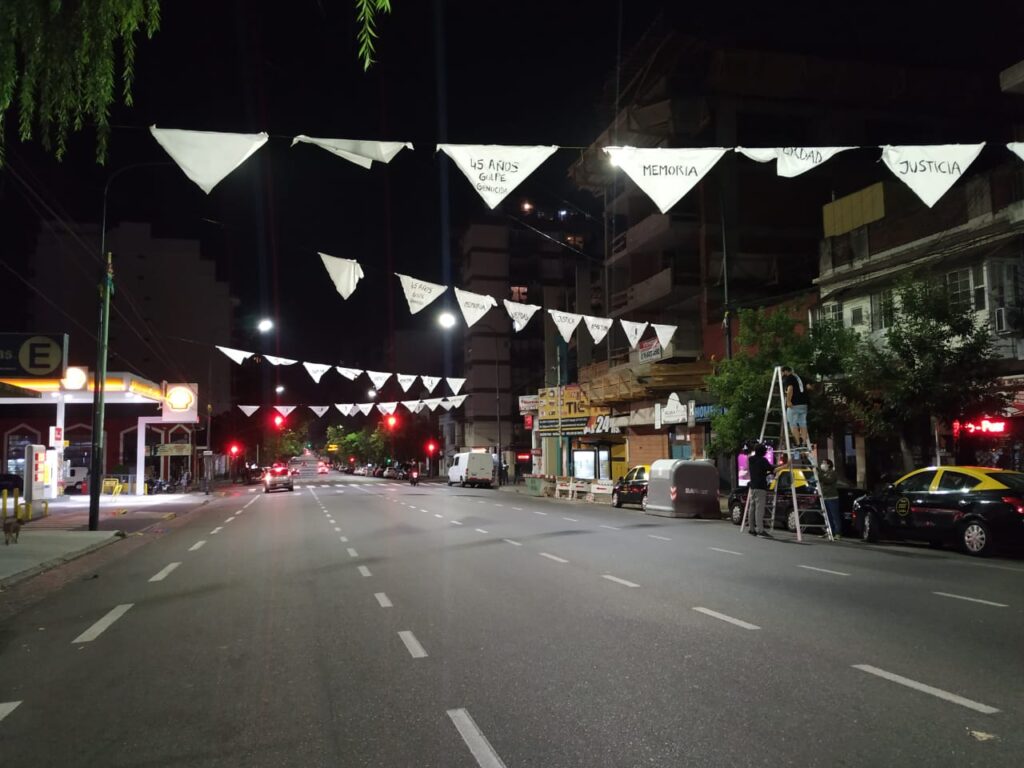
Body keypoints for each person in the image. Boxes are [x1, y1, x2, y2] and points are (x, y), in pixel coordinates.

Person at [747, 443, 773, 537]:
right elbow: (771, 468)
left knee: (752, 508)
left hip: (753, 486)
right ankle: (760, 529)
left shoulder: (751, 459)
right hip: (761, 487)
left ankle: (751, 528)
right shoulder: (763, 460)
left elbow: (758, 470)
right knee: (759, 509)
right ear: (763, 452)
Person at [781, 365, 810, 449]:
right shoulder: (800, 377)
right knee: (803, 423)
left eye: (782, 373)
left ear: (785, 371)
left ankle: (798, 443)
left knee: (793, 423)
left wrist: (788, 401)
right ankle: (804, 443)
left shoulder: (789, 378)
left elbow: (790, 388)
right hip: (804, 404)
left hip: (794, 404)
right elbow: (808, 386)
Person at [818, 458, 841, 540]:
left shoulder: (832, 473)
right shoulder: (824, 473)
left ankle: (837, 533)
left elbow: (828, 480)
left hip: (832, 498)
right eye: (822, 462)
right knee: (828, 517)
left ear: (829, 464)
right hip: (825, 497)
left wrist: (820, 474)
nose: (822, 464)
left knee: (835, 516)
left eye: (824, 463)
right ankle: (830, 532)